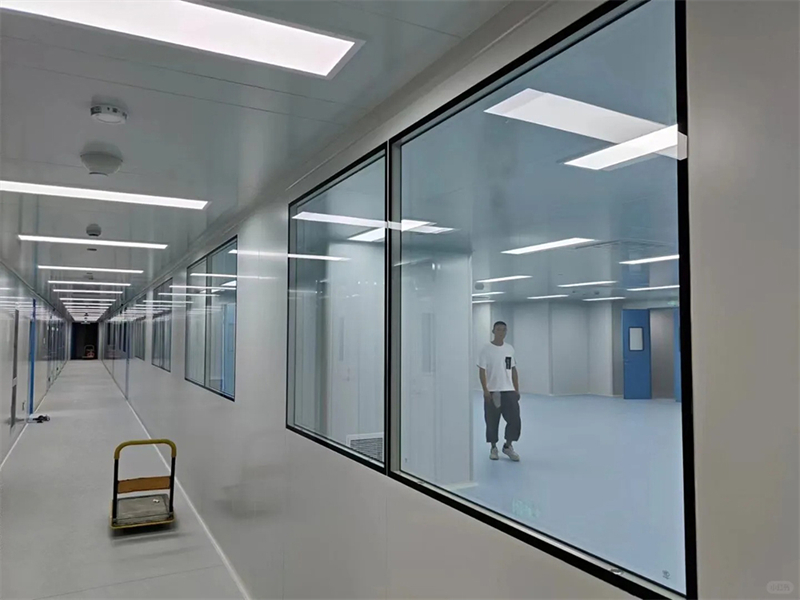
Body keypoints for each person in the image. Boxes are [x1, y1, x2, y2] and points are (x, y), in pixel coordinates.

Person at [477, 321, 521, 461]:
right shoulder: (486, 349)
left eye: (503, 330)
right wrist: (485, 390)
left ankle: (508, 446)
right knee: (492, 421)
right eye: (498, 329)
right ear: (493, 331)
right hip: (493, 391)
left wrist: (516, 388)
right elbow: (482, 371)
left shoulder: (509, 349)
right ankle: (493, 447)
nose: (501, 332)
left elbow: (512, 369)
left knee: (514, 420)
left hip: (508, 390)